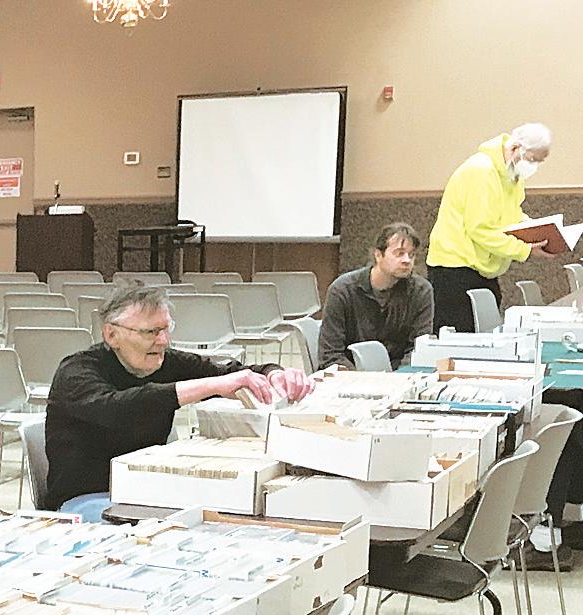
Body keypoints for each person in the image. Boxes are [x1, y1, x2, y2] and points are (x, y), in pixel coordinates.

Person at [42, 285, 314, 514]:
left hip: (148, 489)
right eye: (150, 332)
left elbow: (227, 373)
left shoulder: (164, 361)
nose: (162, 341)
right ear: (111, 335)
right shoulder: (76, 372)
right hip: (88, 499)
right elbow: (120, 408)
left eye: (166, 329)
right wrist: (210, 386)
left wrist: (274, 374)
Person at [427, 123, 554, 333]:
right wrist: (524, 249)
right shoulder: (482, 171)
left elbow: (511, 215)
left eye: (540, 162)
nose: (534, 167)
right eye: (533, 159)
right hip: (455, 267)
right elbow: (480, 229)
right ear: (515, 148)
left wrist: (535, 230)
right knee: (462, 339)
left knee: (487, 335)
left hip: (482, 266)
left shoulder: (512, 174)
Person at [318, 222, 435, 369]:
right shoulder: (342, 290)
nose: (407, 260)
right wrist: (363, 378)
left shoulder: (421, 291)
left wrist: (397, 377)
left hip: (399, 376)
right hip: (351, 374)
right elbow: (330, 354)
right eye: (399, 253)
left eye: (411, 255)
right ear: (378, 255)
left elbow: (418, 350)